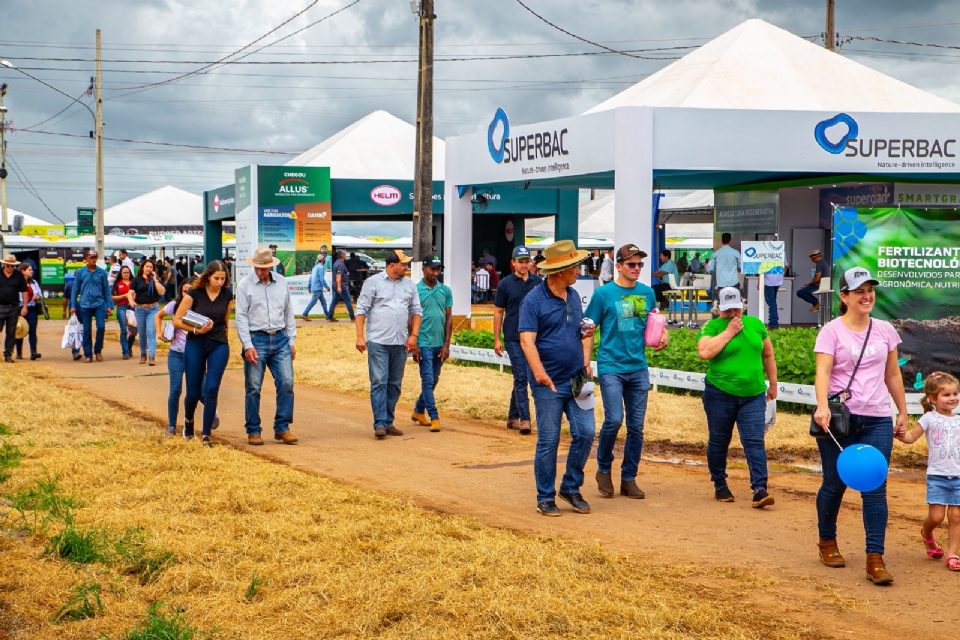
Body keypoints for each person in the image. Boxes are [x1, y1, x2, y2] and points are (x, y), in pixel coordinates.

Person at [812, 267, 907, 584]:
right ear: (844, 297)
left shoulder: (884, 330)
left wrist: (903, 411)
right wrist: (823, 406)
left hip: (878, 417)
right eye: (859, 291)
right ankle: (827, 541)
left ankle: (875, 559)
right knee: (834, 483)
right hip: (840, 420)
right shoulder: (831, 332)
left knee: (875, 486)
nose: (867, 296)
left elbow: (892, 374)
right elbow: (823, 373)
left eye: (870, 290)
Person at [519, 239, 596, 517]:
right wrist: (539, 373)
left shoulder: (573, 296)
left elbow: (581, 330)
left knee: (586, 432)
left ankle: (571, 487)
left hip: (578, 379)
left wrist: (586, 357)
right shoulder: (533, 301)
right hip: (547, 382)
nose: (579, 271)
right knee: (549, 440)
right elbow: (527, 340)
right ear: (560, 270)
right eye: (574, 266)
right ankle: (545, 496)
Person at [586, 244, 668, 500]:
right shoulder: (603, 294)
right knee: (613, 420)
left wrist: (663, 333)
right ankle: (603, 469)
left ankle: (629, 478)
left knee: (637, 427)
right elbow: (588, 329)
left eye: (640, 264)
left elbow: (653, 319)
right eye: (631, 264)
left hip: (638, 367)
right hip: (611, 366)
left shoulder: (646, 293)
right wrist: (585, 361)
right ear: (618, 266)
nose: (636, 269)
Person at [696, 287, 778, 508]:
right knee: (720, 440)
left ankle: (760, 489)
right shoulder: (712, 326)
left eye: (737, 308)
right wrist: (729, 331)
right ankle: (720, 484)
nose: (733, 313)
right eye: (727, 309)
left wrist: (773, 383)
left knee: (754, 441)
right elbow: (704, 353)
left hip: (753, 394)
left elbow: (767, 354)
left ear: (742, 306)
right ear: (719, 308)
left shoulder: (756, 325)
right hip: (720, 393)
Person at [896, 372, 960, 572]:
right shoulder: (928, 418)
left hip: (958, 476)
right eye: (946, 395)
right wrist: (900, 435)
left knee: (957, 516)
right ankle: (928, 536)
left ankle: (953, 554)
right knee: (936, 518)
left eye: (955, 393)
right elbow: (911, 438)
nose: (953, 398)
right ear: (933, 398)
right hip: (937, 476)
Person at [355, 249, 422, 439]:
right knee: (379, 382)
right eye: (403, 264)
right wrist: (360, 336)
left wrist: (413, 336)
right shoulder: (373, 283)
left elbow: (416, 311)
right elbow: (361, 310)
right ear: (392, 266)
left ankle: (389, 421)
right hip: (378, 341)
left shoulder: (409, 284)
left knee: (394, 383)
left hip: (400, 342)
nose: (406, 268)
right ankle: (380, 423)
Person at [235, 248, 298, 446]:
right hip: (256, 339)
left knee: (287, 383)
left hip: (280, 338)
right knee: (253, 387)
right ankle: (253, 429)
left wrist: (291, 340)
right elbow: (241, 317)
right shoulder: (245, 285)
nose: (260, 272)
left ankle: (282, 427)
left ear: (270, 266)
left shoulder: (281, 282)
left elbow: (288, 311)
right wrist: (247, 345)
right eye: (257, 268)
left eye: (263, 269)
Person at [175, 261, 234, 445]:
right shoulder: (194, 293)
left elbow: (225, 321)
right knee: (193, 392)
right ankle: (189, 421)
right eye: (216, 278)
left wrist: (224, 338)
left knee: (211, 389)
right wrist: (196, 331)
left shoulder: (227, 294)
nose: (219, 282)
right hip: (196, 342)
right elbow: (177, 320)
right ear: (207, 276)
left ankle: (206, 434)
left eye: (223, 279)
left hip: (218, 344)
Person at [493, 246, 542, 434]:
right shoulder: (505, 284)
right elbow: (498, 312)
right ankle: (525, 418)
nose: (524, 265)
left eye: (526, 261)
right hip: (513, 336)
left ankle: (513, 415)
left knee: (524, 377)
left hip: (533, 337)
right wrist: (497, 339)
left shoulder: (538, 283)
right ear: (513, 263)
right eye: (520, 262)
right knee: (521, 377)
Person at [157, 276, 214, 435]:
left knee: (201, 391)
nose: (187, 293)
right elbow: (158, 315)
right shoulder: (174, 306)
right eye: (184, 291)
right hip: (176, 353)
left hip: (195, 354)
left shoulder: (200, 308)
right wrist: (159, 332)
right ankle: (172, 426)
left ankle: (211, 412)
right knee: (175, 390)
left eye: (190, 291)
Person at [410, 255, 452, 432]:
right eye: (432, 269)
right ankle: (434, 416)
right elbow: (410, 317)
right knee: (427, 380)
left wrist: (447, 344)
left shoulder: (445, 290)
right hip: (423, 342)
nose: (435, 273)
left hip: (439, 342)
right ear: (423, 269)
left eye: (438, 269)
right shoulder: (416, 290)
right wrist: (414, 343)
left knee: (434, 379)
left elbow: (449, 317)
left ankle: (419, 410)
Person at [70, 249, 111, 363]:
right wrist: (73, 305)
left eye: (95, 257)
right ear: (87, 259)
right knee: (87, 329)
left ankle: (98, 351)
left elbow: (106, 290)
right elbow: (75, 290)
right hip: (85, 304)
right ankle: (88, 354)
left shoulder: (102, 273)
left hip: (99, 303)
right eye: (91, 257)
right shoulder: (81, 272)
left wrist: (109, 306)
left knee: (101, 327)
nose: (93, 260)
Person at [131, 259, 166, 366]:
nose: (149, 269)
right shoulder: (137, 280)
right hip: (140, 308)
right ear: (143, 267)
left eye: (151, 267)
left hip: (153, 308)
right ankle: (143, 354)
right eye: (147, 266)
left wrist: (155, 279)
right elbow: (131, 292)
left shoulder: (154, 280)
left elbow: (162, 292)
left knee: (151, 332)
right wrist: (131, 301)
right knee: (142, 334)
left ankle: (151, 356)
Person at [0, 255, 28, 364]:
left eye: (12, 266)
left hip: (13, 307)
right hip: (0, 306)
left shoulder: (19, 276)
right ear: (4, 265)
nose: (10, 268)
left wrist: (25, 306)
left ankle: (8, 354)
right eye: (8, 266)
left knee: (11, 332)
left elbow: (24, 291)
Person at [14, 263, 42, 361]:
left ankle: (33, 352)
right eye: (29, 270)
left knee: (32, 330)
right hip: (19, 308)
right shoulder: (16, 282)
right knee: (19, 329)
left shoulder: (34, 282)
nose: (32, 271)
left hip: (32, 308)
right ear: (23, 271)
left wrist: (37, 297)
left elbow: (39, 294)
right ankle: (18, 352)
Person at [111, 265, 136, 360]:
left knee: (133, 331)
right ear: (121, 274)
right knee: (124, 330)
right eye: (124, 272)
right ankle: (125, 352)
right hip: (121, 307)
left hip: (132, 308)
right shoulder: (118, 284)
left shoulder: (133, 283)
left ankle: (129, 347)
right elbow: (113, 297)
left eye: (128, 272)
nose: (126, 274)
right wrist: (124, 296)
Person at [326, 249, 355, 322]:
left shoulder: (336, 263)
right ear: (342, 255)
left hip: (335, 285)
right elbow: (338, 276)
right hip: (340, 286)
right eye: (345, 254)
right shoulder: (341, 264)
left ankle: (329, 316)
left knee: (334, 301)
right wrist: (339, 287)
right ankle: (352, 317)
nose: (345, 256)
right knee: (348, 301)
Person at [302, 252, 330, 321]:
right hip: (317, 288)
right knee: (313, 302)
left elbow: (311, 277)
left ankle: (328, 315)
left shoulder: (315, 267)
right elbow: (321, 279)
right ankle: (304, 314)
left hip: (315, 288)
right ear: (323, 259)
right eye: (324, 259)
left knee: (323, 302)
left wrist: (309, 286)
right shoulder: (321, 267)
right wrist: (326, 286)